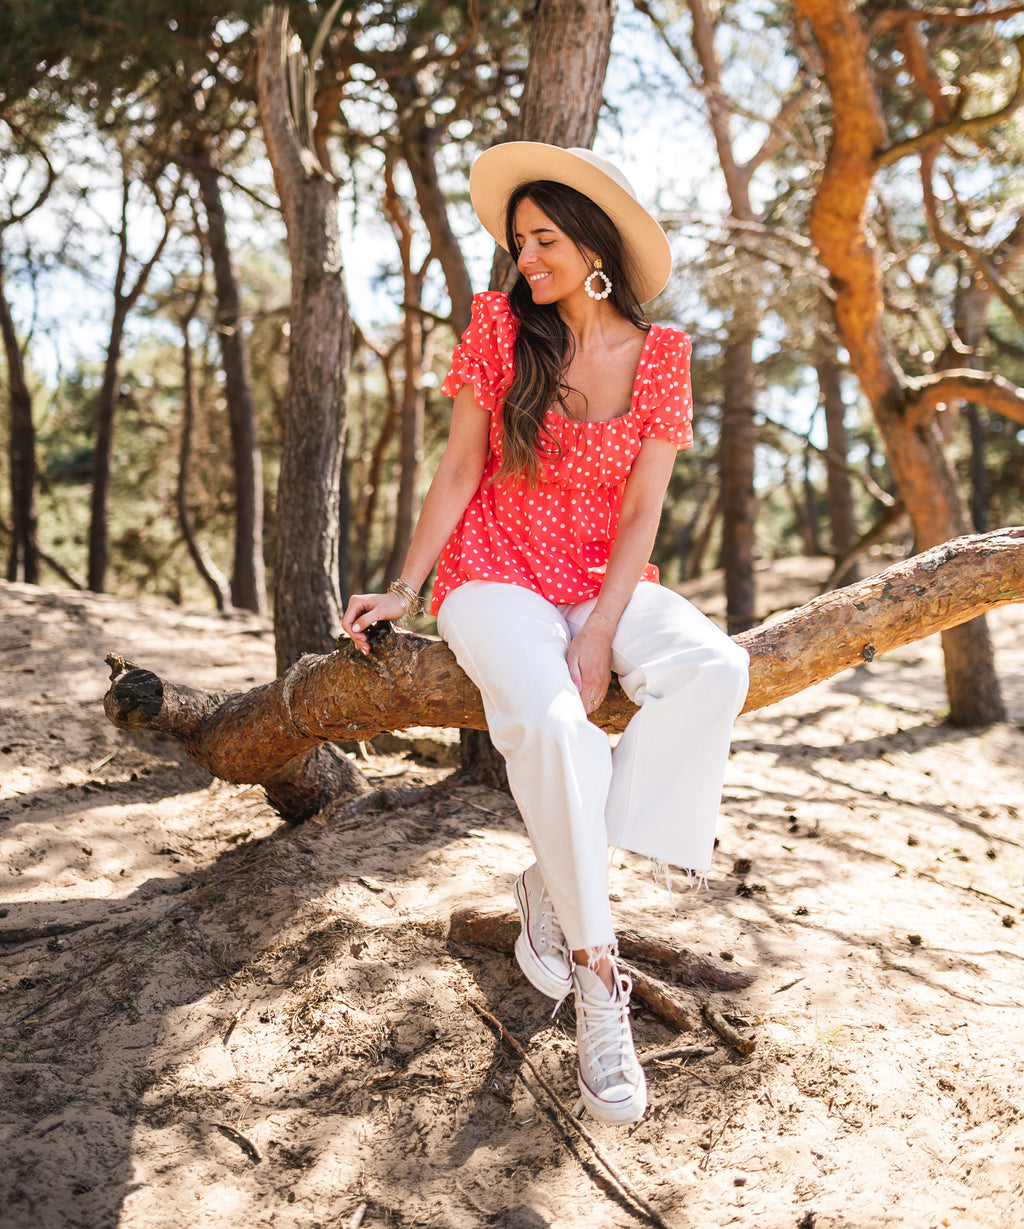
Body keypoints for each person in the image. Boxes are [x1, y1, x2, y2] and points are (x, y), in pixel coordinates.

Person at [342, 142, 749, 1126]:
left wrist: (605, 622)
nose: (524, 257)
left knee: (713, 666)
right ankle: (595, 971)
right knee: (558, 727)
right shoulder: (497, 327)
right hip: (494, 574)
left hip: (596, 581)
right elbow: (455, 472)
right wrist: (406, 586)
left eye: (545, 238)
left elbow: (644, 507)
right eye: (518, 241)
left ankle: (546, 875)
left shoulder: (661, 354)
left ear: (594, 244)